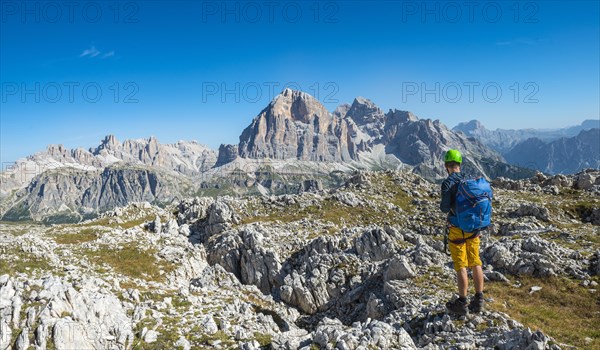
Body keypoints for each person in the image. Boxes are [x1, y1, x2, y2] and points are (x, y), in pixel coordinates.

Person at [440, 149, 485, 315]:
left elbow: (444, 207)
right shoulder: (469, 179)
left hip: (457, 229)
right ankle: (479, 300)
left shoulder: (448, 183)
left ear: (446, 166)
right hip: (474, 227)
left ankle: (462, 302)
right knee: (475, 261)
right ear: (459, 164)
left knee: (461, 265)